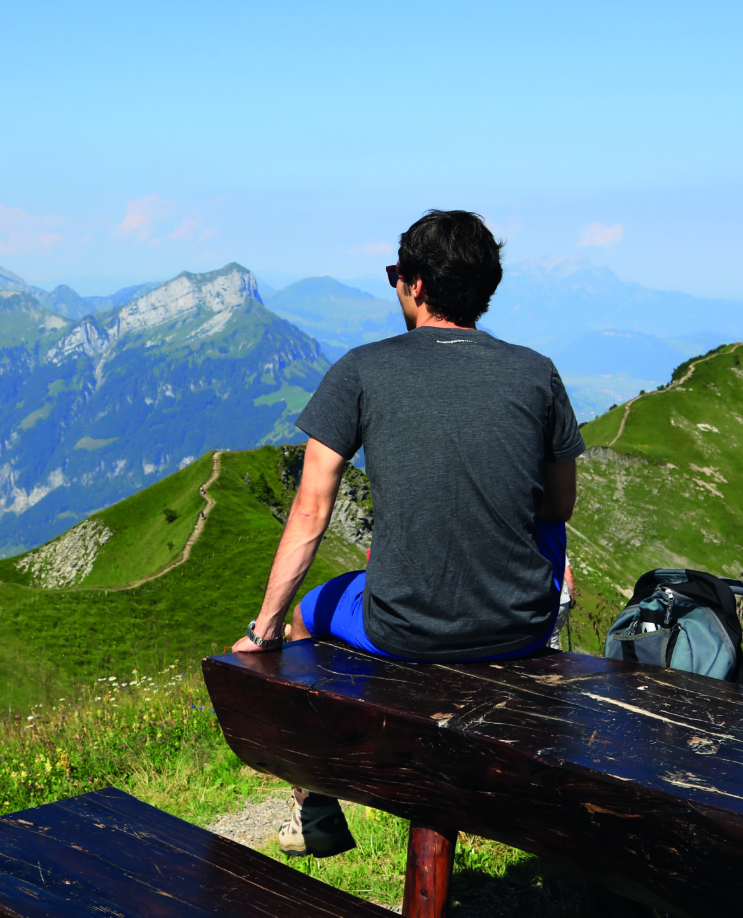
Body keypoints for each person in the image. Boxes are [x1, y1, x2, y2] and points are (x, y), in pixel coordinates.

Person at [231, 209, 585, 858]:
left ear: (416, 283)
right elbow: (558, 504)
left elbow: (311, 510)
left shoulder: (363, 370)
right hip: (523, 624)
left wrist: (264, 626)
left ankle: (318, 810)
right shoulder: (538, 372)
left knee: (308, 621)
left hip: (404, 628)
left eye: (397, 273)